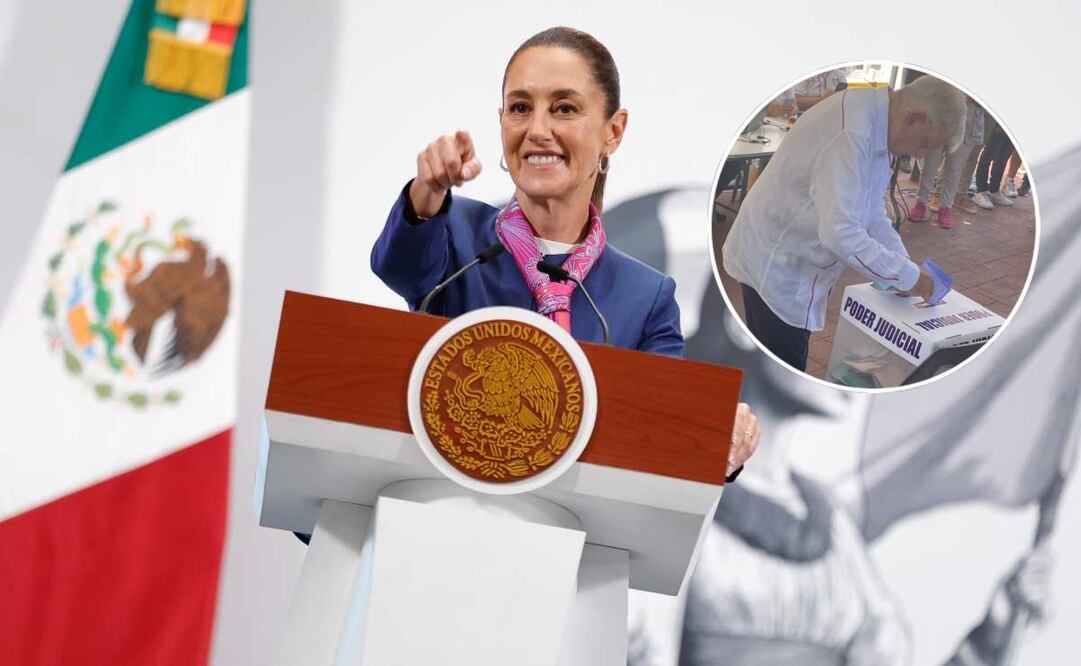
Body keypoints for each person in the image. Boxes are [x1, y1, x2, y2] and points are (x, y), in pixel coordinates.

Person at [370, 26, 760, 477]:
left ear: (613, 131)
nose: (537, 130)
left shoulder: (645, 297)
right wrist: (427, 190)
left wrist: (718, 445)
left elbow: (662, 437)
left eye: (565, 108)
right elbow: (398, 265)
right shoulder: (453, 230)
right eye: (520, 108)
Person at [721, 75, 966, 371]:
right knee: (782, 366)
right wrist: (908, 276)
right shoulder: (852, 133)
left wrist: (902, 264)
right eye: (925, 145)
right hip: (775, 262)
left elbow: (871, 209)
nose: (919, 155)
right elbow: (840, 234)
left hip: (790, 253)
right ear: (912, 119)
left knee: (775, 361)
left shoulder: (877, 121)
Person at [908, 97, 986, 229]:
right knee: (929, 166)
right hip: (940, 117)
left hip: (969, 122)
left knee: (954, 171)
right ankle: (920, 203)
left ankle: (945, 209)